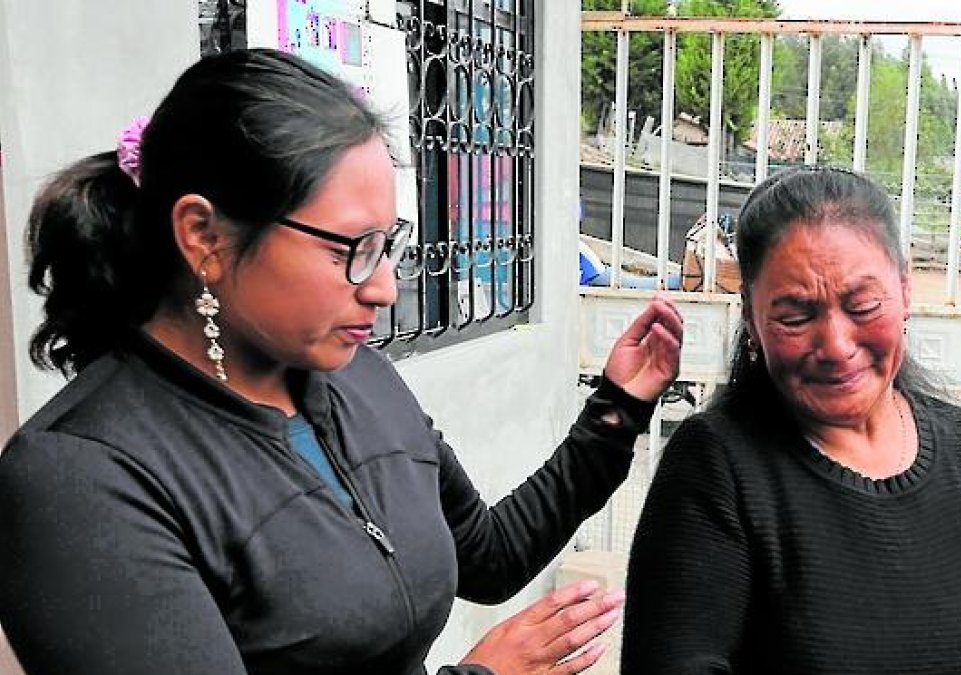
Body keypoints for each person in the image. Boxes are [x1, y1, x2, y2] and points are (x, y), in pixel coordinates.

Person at [0, 49, 684, 675]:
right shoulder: (80, 479)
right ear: (203, 235)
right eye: (348, 249)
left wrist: (616, 408)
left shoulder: (355, 377)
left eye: (388, 244)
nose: (383, 286)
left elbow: (490, 554)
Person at [621, 167, 961, 674]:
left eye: (863, 305)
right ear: (752, 321)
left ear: (905, 290)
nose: (836, 345)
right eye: (795, 317)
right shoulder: (716, 467)